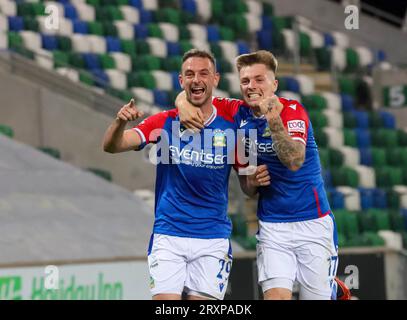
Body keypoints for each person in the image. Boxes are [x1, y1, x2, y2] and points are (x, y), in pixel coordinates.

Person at [176, 50, 348, 300]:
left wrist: (273, 120)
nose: (251, 86)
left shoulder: (293, 111)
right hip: (272, 225)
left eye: (259, 79)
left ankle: (331, 289)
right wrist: (182, 103)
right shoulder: (238, 113)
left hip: (313, 222)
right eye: (245, 81)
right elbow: (195, 92)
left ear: (274, 84)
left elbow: (294, 160)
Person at [102, 49, 269, 300]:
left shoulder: (234, 124)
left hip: (212, 239)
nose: (196, 79)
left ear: (216, 79)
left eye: (204, 73)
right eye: (189, 74)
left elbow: (247, 186)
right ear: (181, 81)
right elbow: (112, 146)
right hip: (170, 235)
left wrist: (253, 182)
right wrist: (119, 122)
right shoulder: (165, 122)